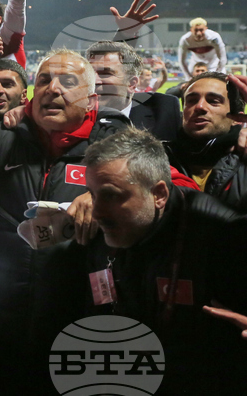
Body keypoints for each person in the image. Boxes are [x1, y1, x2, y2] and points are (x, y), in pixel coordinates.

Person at [0, 49, 128, 395]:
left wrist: (106, 193)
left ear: (91, 101)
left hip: (80, 326)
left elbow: (170, 192)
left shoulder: (118, 148)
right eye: (43, 80)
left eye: (67, 82)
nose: (53, 89)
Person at [83, 128, 247, 395]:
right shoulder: (101, 229)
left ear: (159, 194)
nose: (96, 211)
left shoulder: (220, 234)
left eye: (111, 195)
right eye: (91, 194)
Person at [164, 72, 247, 211]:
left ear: (236, 119)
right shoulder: (159, 157)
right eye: (191, 100)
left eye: (213, 101)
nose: (200, 106)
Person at [86, 40, 181, 141]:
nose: (93, 81)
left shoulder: (162, 112)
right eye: (89, 73)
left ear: (131, 84)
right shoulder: (72, 118)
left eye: (105, 73)